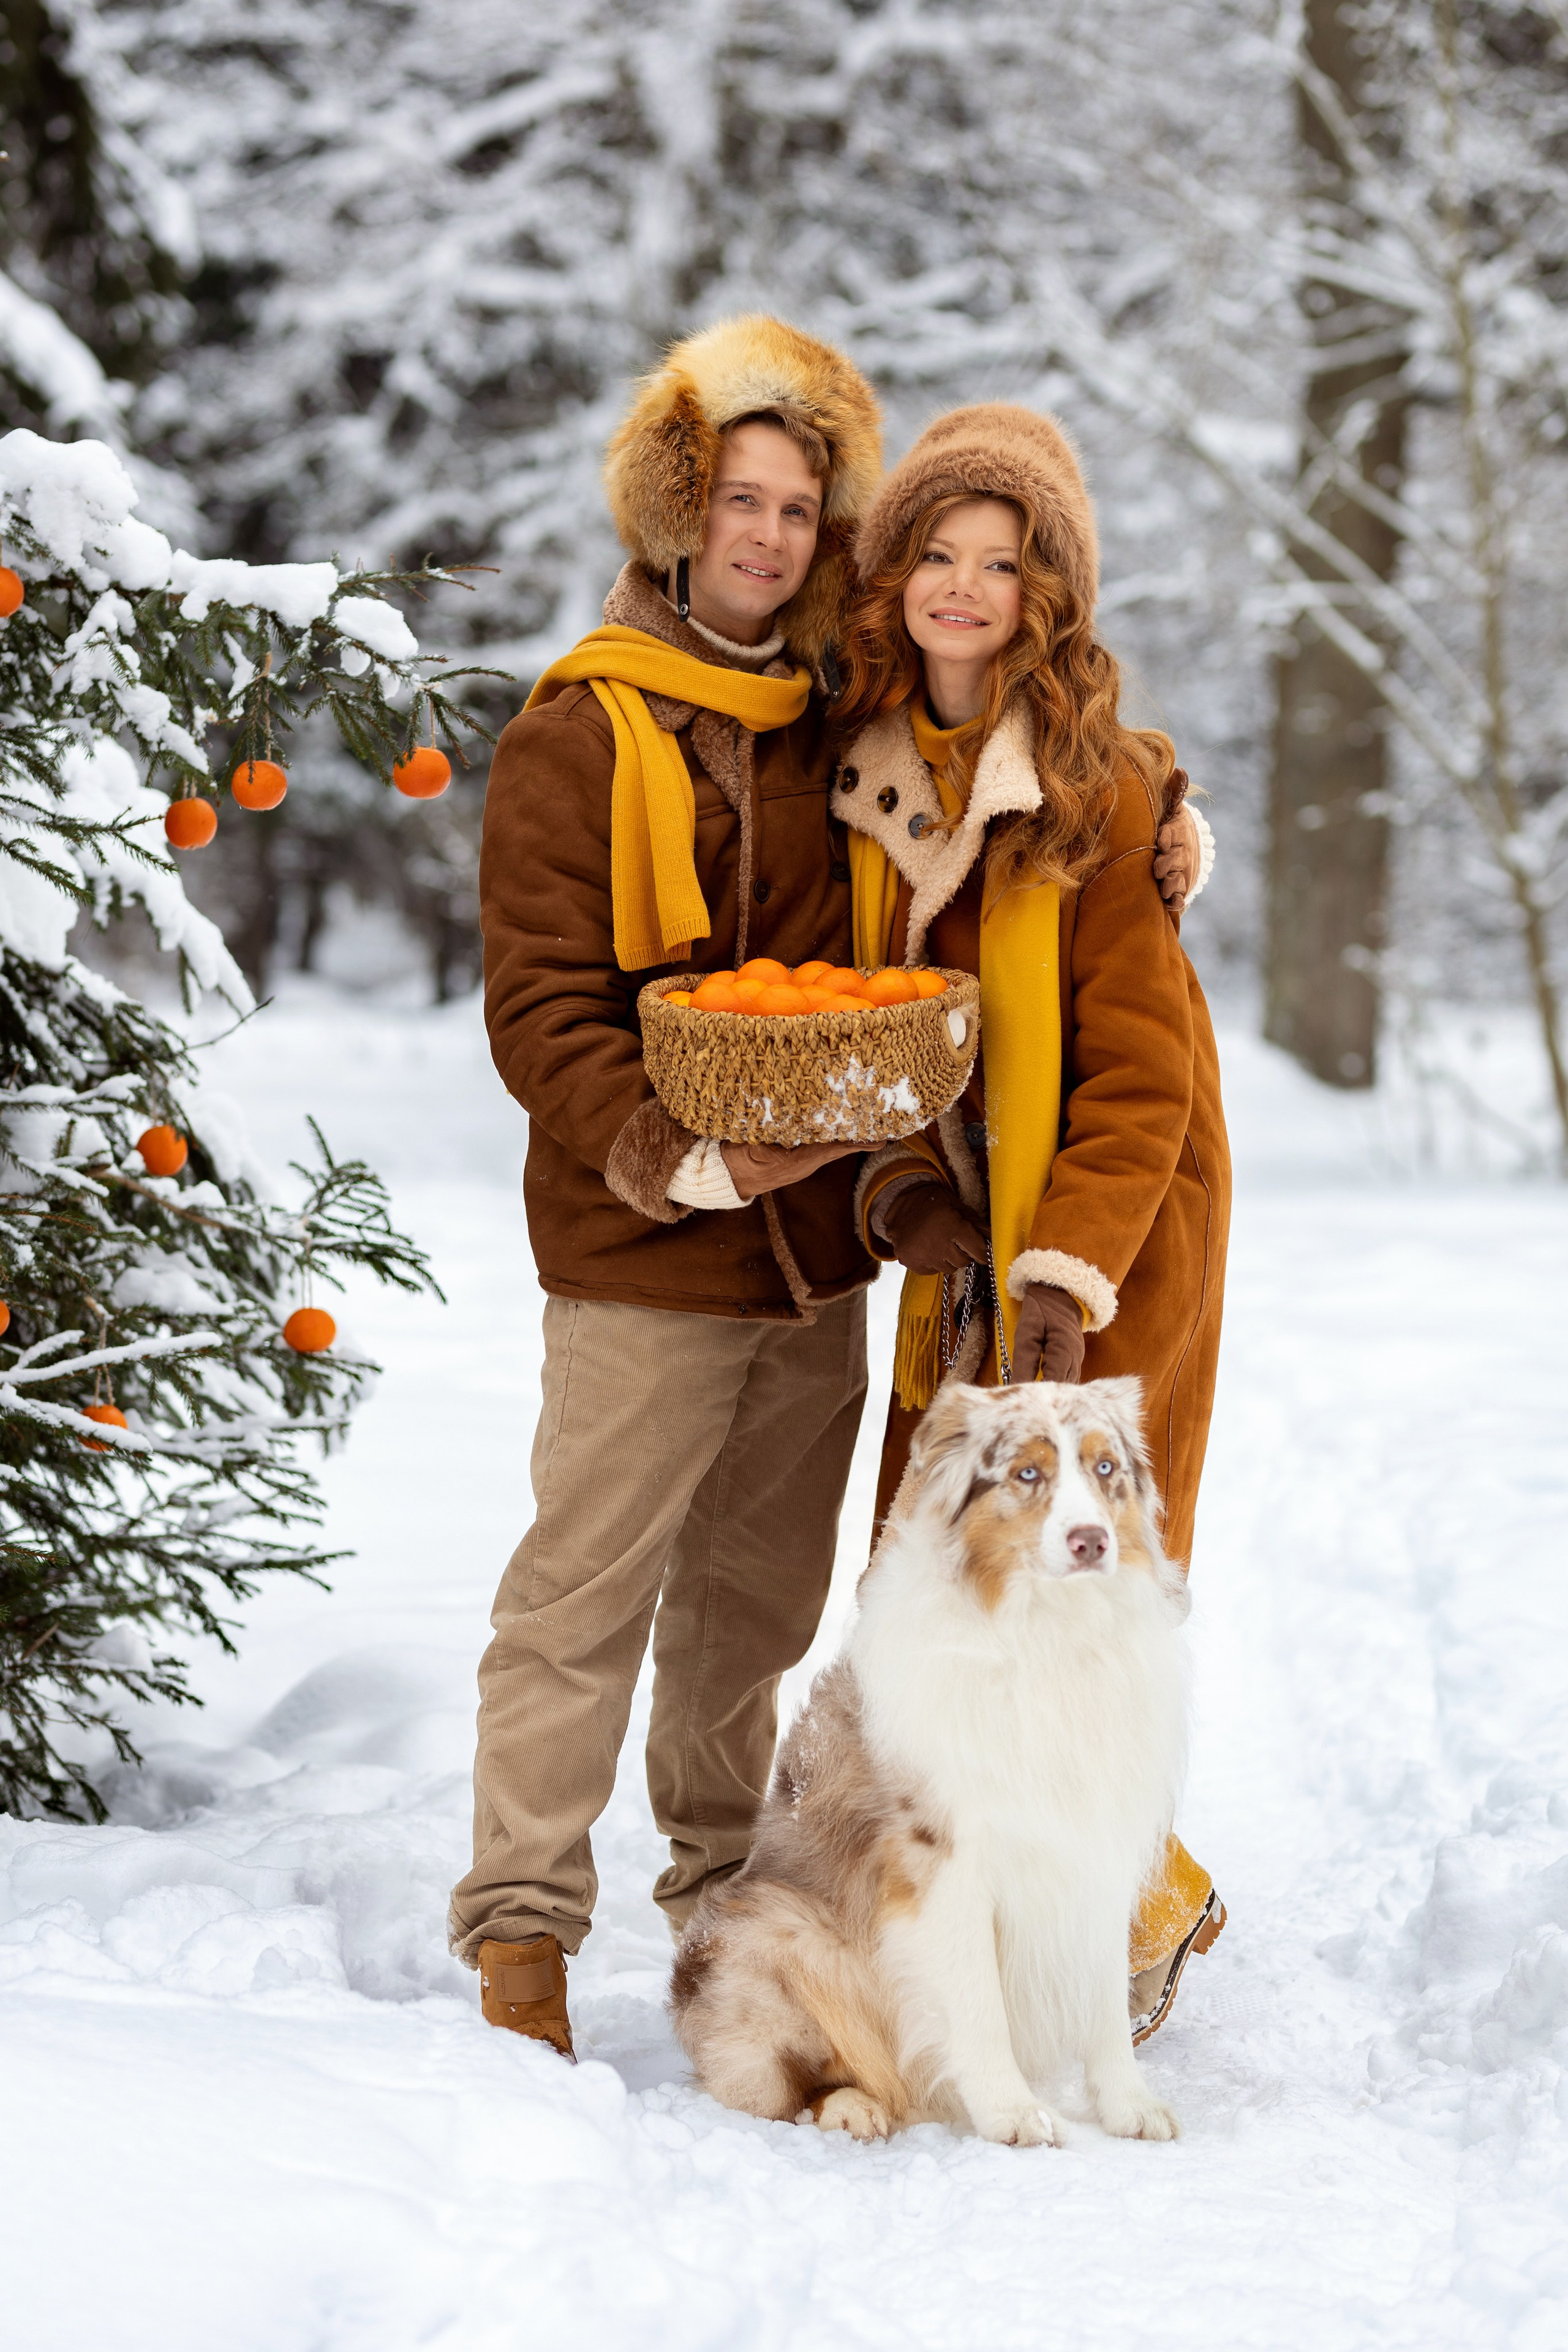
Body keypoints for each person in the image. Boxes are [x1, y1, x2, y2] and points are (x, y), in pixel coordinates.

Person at [451, 323, 1208, 2060]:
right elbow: (541, 1016)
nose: (771, 536)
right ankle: (519, 1938)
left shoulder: (825, 722)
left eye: (802, 508)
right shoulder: (582, 731)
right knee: (586, 1592)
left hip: (814, 1258)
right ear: (675, 507)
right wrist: (681, 1153)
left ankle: (727, 1899)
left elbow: (930, 899)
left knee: (760, 1616)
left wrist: (1171, 824)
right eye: (740, 499)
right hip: (646, 1247)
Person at [830, 403, 1231, 2040]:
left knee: (1076, 1597)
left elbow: (1142, 1074)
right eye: (937, 550)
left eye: (1004, 561)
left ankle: (1138, 1903)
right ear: (896, 571)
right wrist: (902, 1187)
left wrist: (1061, 1288)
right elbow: (854, 1021)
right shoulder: (859, 766)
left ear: (1046, 592)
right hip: (960, 1243)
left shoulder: (1104, 789)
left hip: (1111, 1234)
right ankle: (956, 1914)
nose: (965, 585)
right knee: (931, 1588)